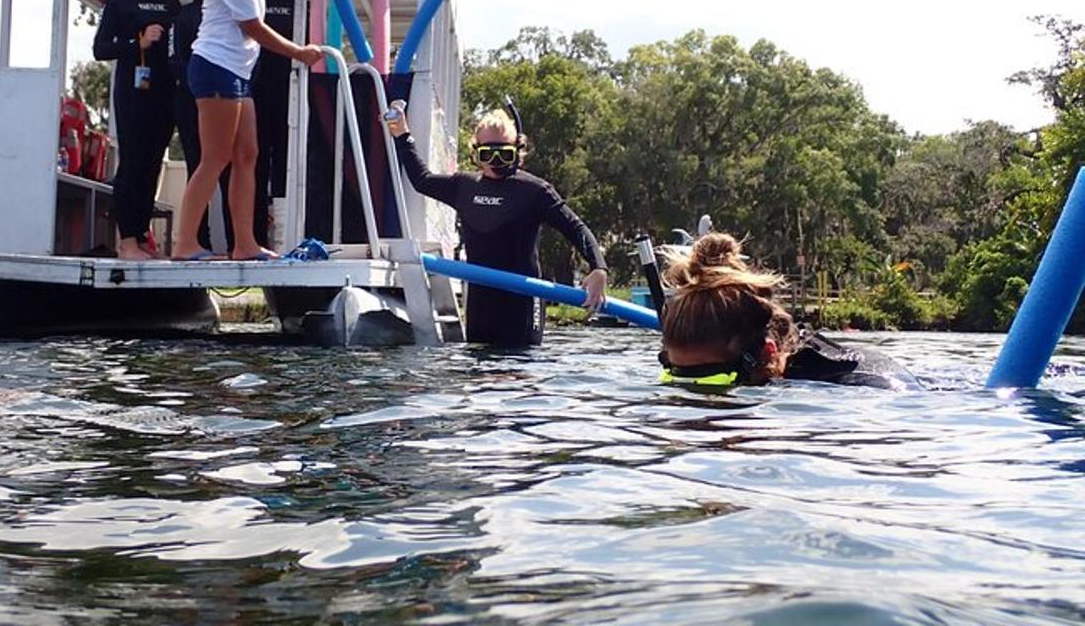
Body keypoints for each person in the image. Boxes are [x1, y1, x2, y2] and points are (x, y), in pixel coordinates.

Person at [171, 0, 323, 261]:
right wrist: (299, 52)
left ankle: (245, 244)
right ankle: (185, 243)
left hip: (236, 72)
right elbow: (252, 27)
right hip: (215, 67)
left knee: (247, 154)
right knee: (215, 157)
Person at [385, 104, 608, 346]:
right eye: (487, 154)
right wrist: (402, 135)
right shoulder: (464, 187)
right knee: (479, 371)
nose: (496, 162)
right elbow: (422, 180)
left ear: (518, 152)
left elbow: (576, 228)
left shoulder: (535, 191)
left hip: (524, 301)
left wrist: (599, 268)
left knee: (519, 373)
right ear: (476, 153)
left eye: (504, 154)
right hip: (481, 301)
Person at [658, 232, 922, 390]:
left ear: (767, 354)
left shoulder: (866, 385)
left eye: (712, 383)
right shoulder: (766, 370)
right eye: (673, 376)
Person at [93, 0, 182, 260]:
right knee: (131, 162)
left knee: (151, 164)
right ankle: (126, 238)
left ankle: (142, 233)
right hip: (133, 92)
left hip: (164, 92)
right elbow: (100, 49)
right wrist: (137, 44)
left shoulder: (173, 4)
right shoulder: (120, 0)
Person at [171, 0, 231, 252]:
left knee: (233, 166)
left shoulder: (232, 11)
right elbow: (176, 61)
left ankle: (237, 241)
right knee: (201, 165)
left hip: (229, 97)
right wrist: (202, 89)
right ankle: (196, 240)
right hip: (194, 101)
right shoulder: (184, 16)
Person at [250, 0, 297, 247]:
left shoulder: (301, 5)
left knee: (285, 166)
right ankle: (252, 236)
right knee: (254, 165)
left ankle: (282, 237)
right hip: (255, 94)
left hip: (289, 97)